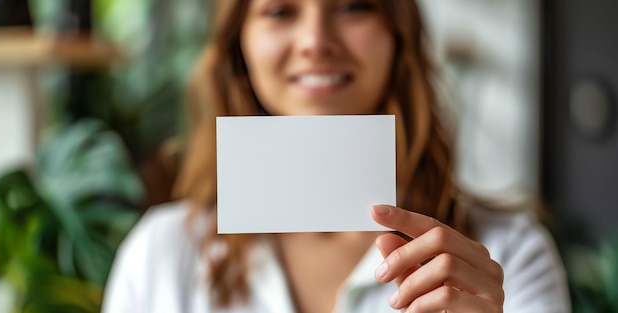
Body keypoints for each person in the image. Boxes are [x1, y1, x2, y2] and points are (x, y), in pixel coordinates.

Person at [101, 0, 571, 312]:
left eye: (354, 5)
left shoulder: (507, 255)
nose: (316, 40)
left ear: (398, 36)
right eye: (281, 10)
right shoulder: (159, 257)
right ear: (238, 45)